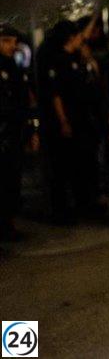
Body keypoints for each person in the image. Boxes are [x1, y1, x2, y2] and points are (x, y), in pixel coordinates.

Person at [40, 20, 103, 222]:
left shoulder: (76, 59)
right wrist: (64, 120)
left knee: (83, 163)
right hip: (69, 120)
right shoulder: (58, 61)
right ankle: (63, 209)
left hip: (82, 118)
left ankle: (85, 202)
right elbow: (56, 94)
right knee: (64, 165)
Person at [0, 24, 36, 240]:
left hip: (14, 133)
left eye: (14, 41)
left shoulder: (14, 66)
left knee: (12, 181)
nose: (11, 46)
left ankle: (9, 224)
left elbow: (24, 101)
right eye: (5, 41)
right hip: (4, 134)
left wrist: (31, 130)